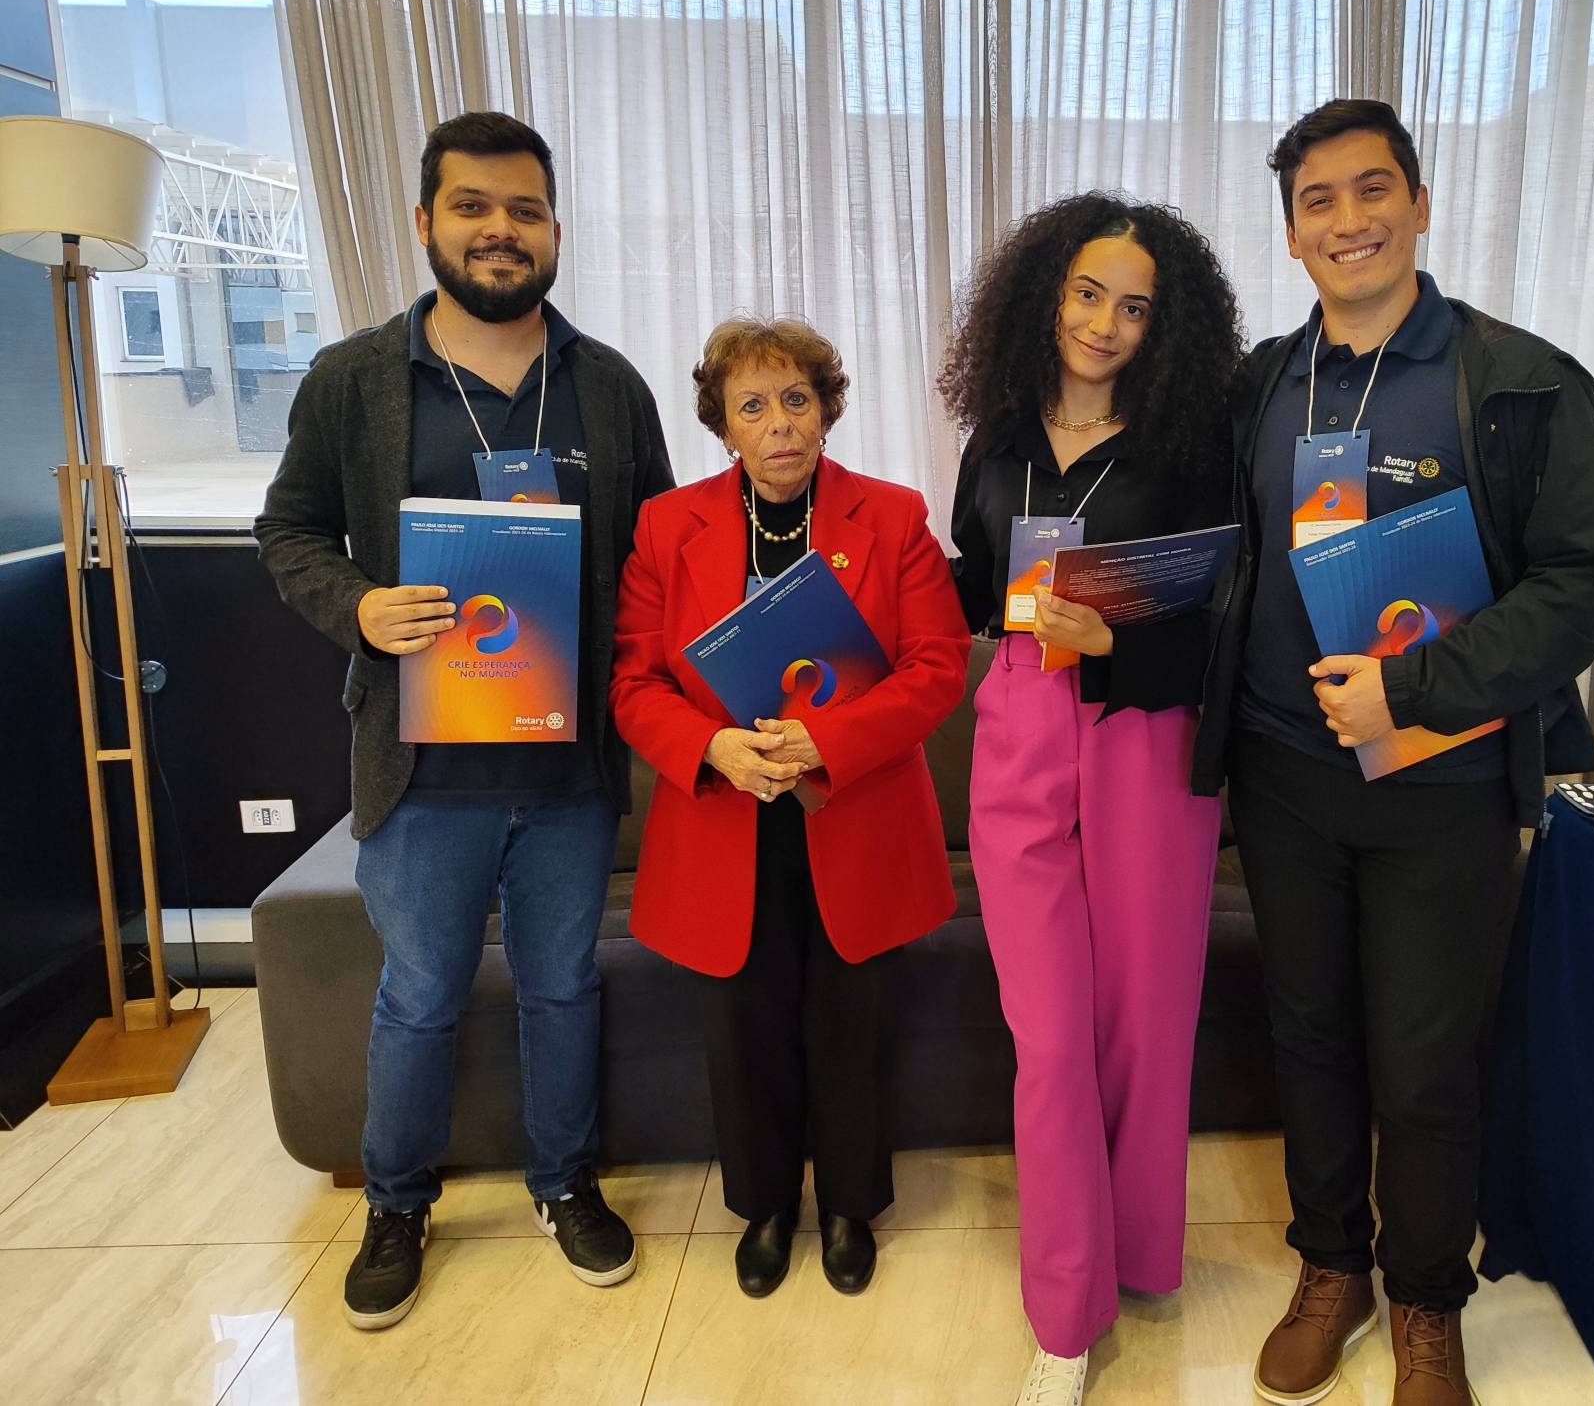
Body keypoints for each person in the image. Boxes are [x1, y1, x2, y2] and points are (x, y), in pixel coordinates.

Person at [1190, 99, 1594, 1406]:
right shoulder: (1258, 386)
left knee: (1428, 1060)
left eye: (1372, 188)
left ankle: (1426, 1298)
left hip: (1444, 784)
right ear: (1290, 234)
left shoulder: (1520, 382)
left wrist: (1414, 690)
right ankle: (1330, 1265)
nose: (1349, 220)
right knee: (1311, 1035)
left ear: (1421, 204)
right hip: (1284, 778)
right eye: (1317, 201)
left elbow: (1584, 579)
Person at [255, 111, 673, 1330]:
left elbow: (656, 558)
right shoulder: (354, 380)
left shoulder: (607, 386)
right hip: (421, 771)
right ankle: (396, 1202)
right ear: (425, 220)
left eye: (524, 210)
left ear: (554, 230)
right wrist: (359, 606)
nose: (501, 230)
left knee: (562, 988)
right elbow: (288, 532)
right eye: (473, 207)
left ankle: (564, 1182)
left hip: (568, 773)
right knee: (420, 994)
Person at [941, 194, 1242, 1406]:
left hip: (1144, 736)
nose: (1103, 323)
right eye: (1084, 293)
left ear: (1165, 328)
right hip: (1018, 727)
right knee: (1052, 1040)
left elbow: (1224, 615)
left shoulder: (1189, 446)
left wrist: (1113, 641)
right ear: (1041, 295)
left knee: (1142, 1025)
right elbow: (972, 583)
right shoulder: (996, 438)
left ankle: (1138, 1254)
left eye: (1133, 307)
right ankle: (1065, 1314)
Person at [610, 316, 969, 1300]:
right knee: (744, 1027)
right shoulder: (666, 526)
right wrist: (711, 747)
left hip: (851, 811)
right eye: (754, 405)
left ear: (827, 408)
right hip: (725, 816)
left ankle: (850, 1206)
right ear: (723, 424)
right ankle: (765, 1206)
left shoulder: (891, 515)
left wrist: (829, 741)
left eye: (798, 399)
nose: (780, 423)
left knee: (852, 1020)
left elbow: (937, 667)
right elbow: (634, 682)